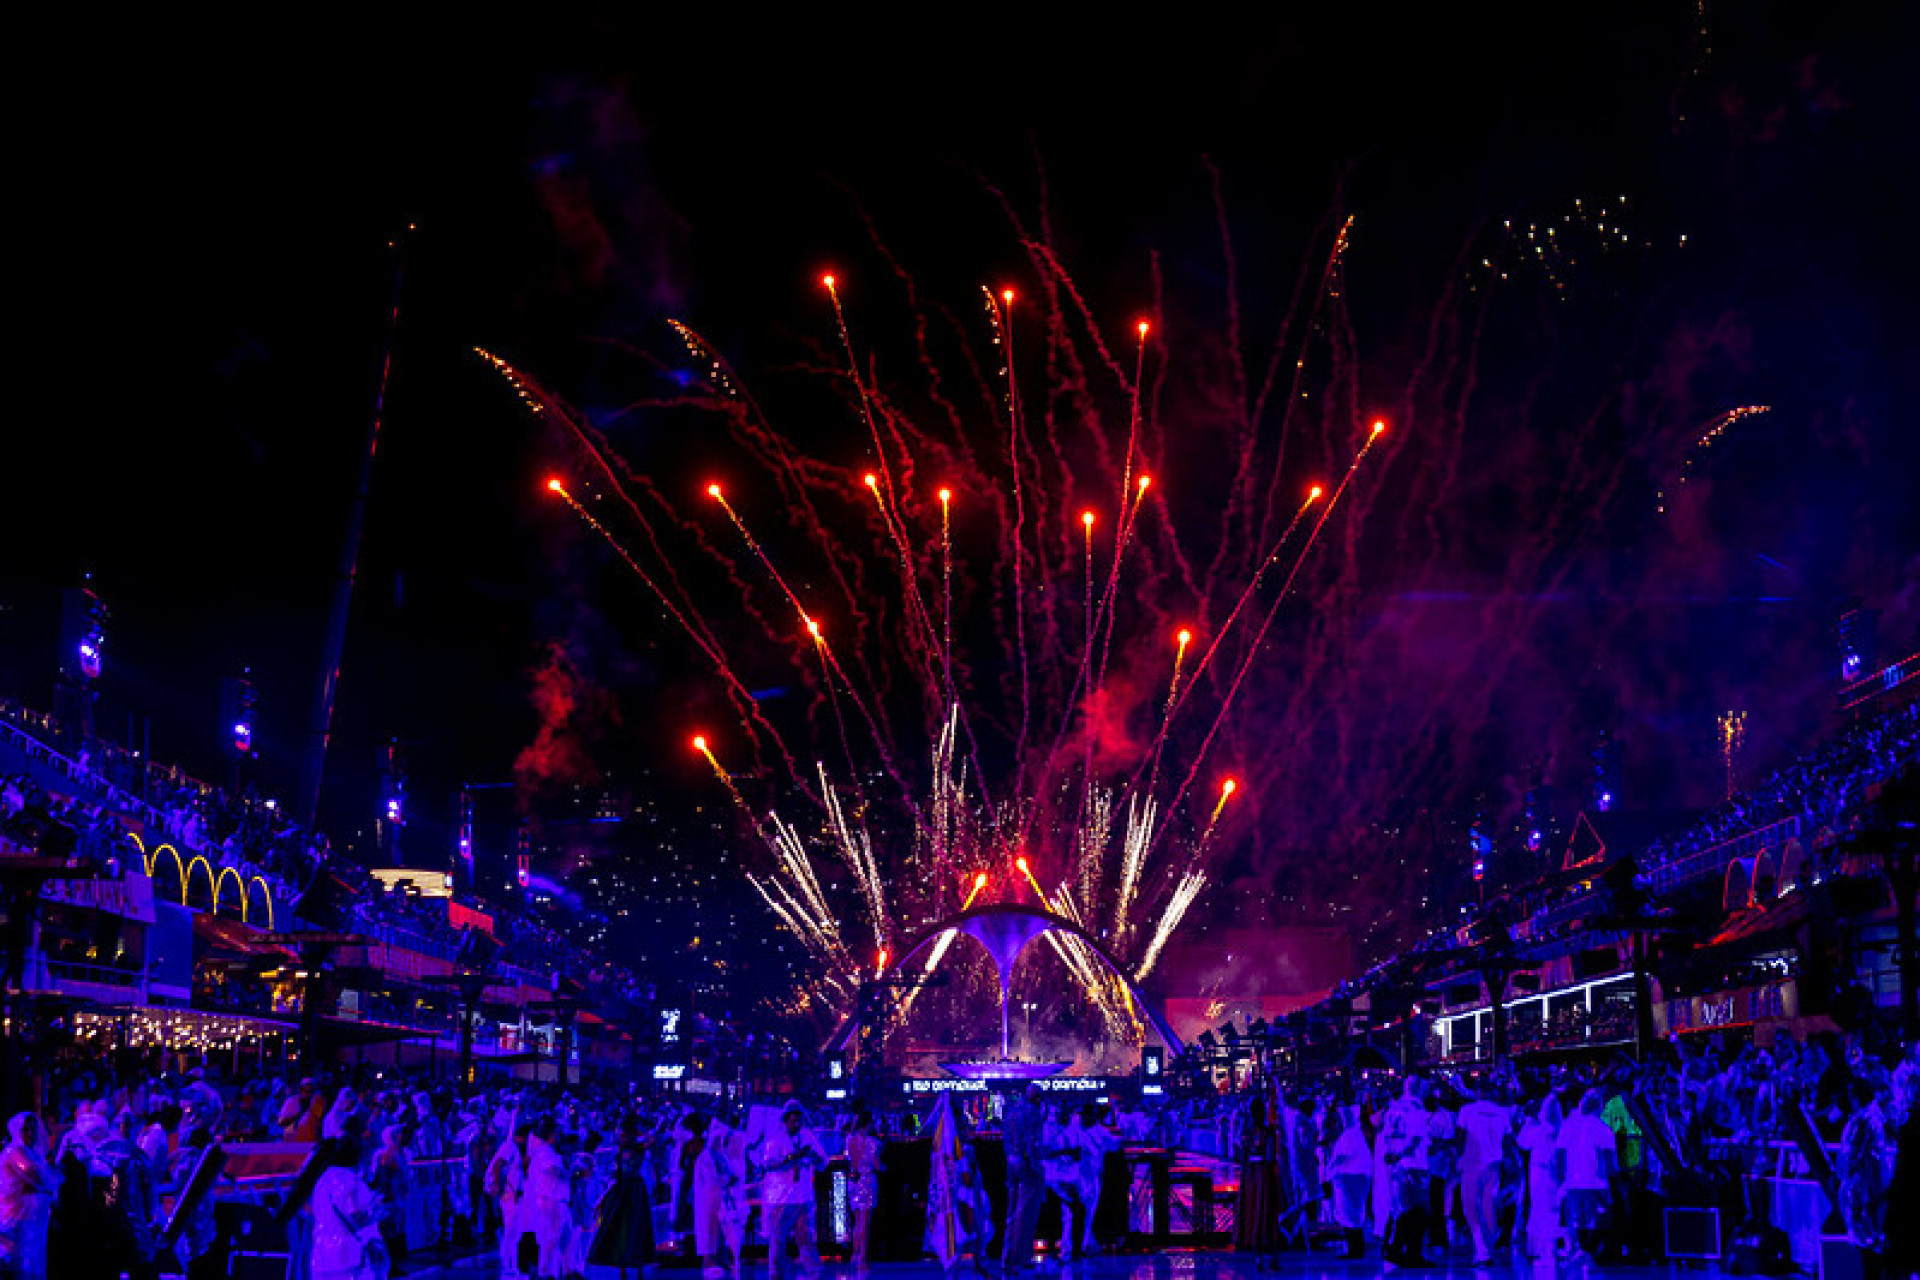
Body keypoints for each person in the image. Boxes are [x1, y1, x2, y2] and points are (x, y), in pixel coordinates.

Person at [758, 1102, 824, 1280]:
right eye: (793, 1120)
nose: (797, 1124)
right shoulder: (775, 1140)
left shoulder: (808, 1137)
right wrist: (789, 1158)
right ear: (785, 1120)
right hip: (781, 1199)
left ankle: (814, 1274)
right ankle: (776, 1275)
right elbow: (768, 1164)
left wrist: (813, 1157)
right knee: (778, 1239)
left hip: (803, 1197)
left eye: (799, 1120)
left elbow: (823, 1162)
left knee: (806, 1237)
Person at [310, 1135, 389, 1280]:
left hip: (321, 1253)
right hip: (348, 1255)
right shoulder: (350, 1181)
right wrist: (377, 1212)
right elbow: (356, 1217)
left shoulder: (321, 1181)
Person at [1554, 1089, 1617, 1266]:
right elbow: (1609, 1160)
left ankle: (1581, 1250)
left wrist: (1561, 1177)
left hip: (1574, 1181)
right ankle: (1589, 1250)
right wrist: (1615, 1181)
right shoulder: (1603, 1129)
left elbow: (1559, 1154)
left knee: (1578, 1218)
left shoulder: (1568, 1126)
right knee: (1603, 1217)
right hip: (1597, 1182)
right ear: (1600, 1107)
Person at [590, 1115, 656, 1279]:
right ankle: (624, 1269)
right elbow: (615, 1174)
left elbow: (651, 1139)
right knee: (620, 1229)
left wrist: (638, 1131)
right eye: (620, 1131)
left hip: (632, 1191)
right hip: (622, 1191)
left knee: (635, 1228)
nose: (620, 1134)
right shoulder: (619, 1150)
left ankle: (636, 1267)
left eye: (623, 1131)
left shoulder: (637, 1146)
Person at [1455, 1082, 1512, 1266]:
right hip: (1494, 1164)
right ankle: (1488, 1248)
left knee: (1470, 1207)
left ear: (1477, 1091)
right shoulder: (1502, 1112)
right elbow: (1508, 1140)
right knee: (1490, 1206)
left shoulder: (1466, 1110)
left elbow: (1460, 1136)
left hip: (1472, 1163)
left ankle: (1482, 1250)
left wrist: (1458, 1156)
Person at [0, 1115, 58, 1280]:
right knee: (18, 1264)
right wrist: (44, 1185)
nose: (30, 1134)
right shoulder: (14, 1151)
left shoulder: (31, 1153)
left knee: (31, 1263)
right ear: (16, 1131)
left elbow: (48, 1180)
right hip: (15, 1218)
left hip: (30, 1218)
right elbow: (39, 1178)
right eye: (25, 1129)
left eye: (33, 1129)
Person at [999, 1085, 1047, 1274]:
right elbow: (1032, 1142)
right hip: (1026, 1164)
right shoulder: (1032, 1113)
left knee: (1011, 1213)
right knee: (1026, 1213)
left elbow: (1006, 1140)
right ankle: (1020, 1258)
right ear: (1037, 1098)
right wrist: (1036, 1166)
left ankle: (1007, 1257)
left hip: (1011, 1162)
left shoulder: (1012, 1111)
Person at [1233, 1096, 1283, 1259]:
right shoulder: (1268, 1132)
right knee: (1262, 1205)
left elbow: (1242, 1154)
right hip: (1263, 1172)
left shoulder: (1247, 1132)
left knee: (1250, 1204)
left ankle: (1248, 1237)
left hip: (1249, 1172)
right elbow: (1270, 1156)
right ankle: (1262, 1237)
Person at [1325, 1104, 1373, 1261]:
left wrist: (1329, 1170)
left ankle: (1354, 1249)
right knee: (1355, 1215)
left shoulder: (1349, 1135)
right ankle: (1356, 1248)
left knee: (1349, 1214)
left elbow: (1341, 1156)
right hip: (1356, 1179)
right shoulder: (1356, 1135)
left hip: (1349, 1180)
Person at [844, 1111, 884, 1274]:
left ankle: (854, 1254)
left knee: (857, 1221)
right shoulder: (872, 1142)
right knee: (865, 1223)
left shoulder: (850, 1140)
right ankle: (862, 1256)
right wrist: (883, 1168)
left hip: (853, 1181)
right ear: (869, 1124)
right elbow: (877, 1165)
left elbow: (849, 1160)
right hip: (866, 1181)